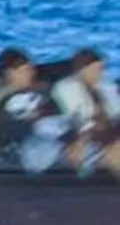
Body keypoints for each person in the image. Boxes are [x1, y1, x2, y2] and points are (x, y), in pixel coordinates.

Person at [49, 49, 120, 178]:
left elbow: (116, 113)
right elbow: (78, 118)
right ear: (82, 69)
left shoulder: (107, 87)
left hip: (111, 128)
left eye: (100, 69)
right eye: (95, 69)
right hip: (86, 132)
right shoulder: (66, 87)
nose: (99, 74)